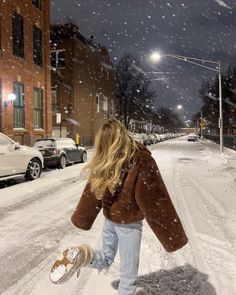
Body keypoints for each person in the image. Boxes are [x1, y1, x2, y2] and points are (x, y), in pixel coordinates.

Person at [49, 119, 188, 295]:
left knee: (106, 258)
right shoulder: (140, 159)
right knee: (128, 276)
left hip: (110, 220)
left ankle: (82, 254)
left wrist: (83, 217)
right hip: (129, 224)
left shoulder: (105, 158)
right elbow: (154, 198)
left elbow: (92, 192)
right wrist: (172, 234)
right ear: (123, 134)